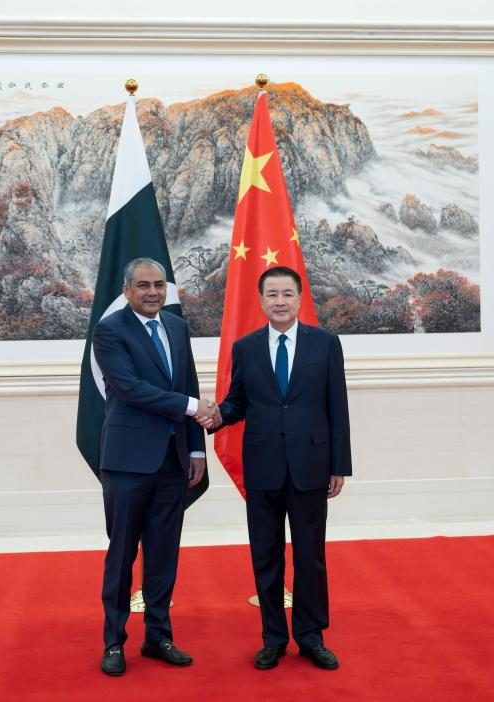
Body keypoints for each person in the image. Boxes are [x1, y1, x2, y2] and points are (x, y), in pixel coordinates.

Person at [199, 265, 352, 671]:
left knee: (310, 557)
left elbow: (337, 406)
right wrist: (218, 415)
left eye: (287, 294)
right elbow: (238, 402)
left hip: (310, 466)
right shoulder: (246, 348)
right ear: (261, 300)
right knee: (266, 557)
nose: (280, 301)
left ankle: (311, 636)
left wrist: (339, 464)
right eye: (272, 294)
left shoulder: (325, 344)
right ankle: (273, 638)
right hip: (263, 467)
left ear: (299, 299)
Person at [91, 257, 212, 677]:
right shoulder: (109, 331)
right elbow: (131, 389)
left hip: (173, 461)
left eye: (159, 285)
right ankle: (113, 641)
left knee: (163, 552)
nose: (153, 292)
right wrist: (194, 407)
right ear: (126, 290)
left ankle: (158, 636)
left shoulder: (176, 327)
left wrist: (196, 450)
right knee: (123, 552)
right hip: (127, 461)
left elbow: (188, 383)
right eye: (143, 285)